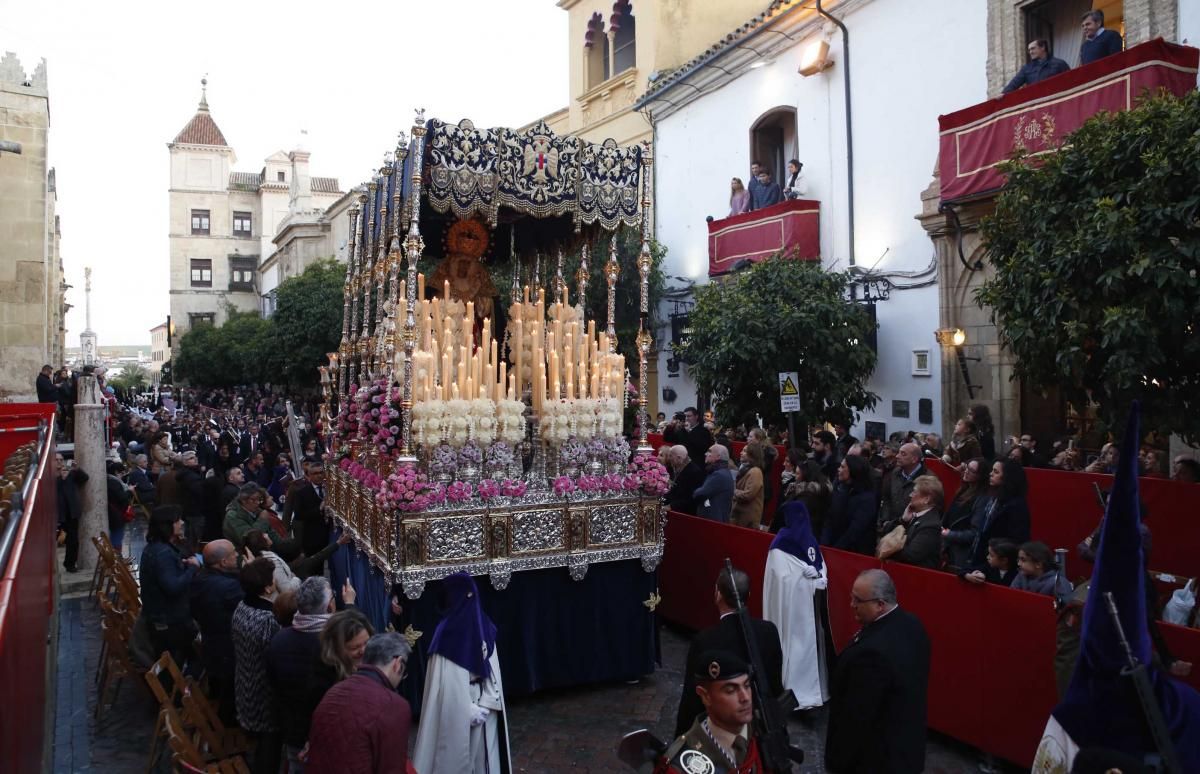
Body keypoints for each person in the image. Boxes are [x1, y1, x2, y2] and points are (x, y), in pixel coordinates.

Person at [825, 569, 930, 774]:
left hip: (876, 760)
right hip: (907, 751)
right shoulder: (913, 625)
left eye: (857, 600)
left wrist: (837, 762)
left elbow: (856, 719)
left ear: (879, 605)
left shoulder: (871, 655)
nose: (851, 604)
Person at [412, 572, 511, 774]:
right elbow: (444, 686)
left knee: (486, 762)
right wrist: (466, 708)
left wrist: (489, 699)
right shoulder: (446, 635)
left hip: (484, 708)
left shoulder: (484, 626)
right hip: (460, 712)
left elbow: (493, 670)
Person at [674, 566, 784, 738]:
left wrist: (680, 740)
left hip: (721, 728)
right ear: (748, 595)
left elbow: (692, 699)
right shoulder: (769, 631)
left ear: (718, 595)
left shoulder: (705, 640)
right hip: (762, 725)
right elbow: (775, 684)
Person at [306, 632, 413, 774]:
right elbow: (392, 767)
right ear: (397, 663)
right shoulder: (394, 705)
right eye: (403, 672)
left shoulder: (334, 691)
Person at [763, 501, 830, 710]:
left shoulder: (810, 541)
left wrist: (819, 576)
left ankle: (811, 692)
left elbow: (820, 566)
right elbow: (781, 579)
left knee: (807, 647)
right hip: (791, 609)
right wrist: (807, 581)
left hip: (807, 609)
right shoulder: (781, 544)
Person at [266, 577, 336, 773]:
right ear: (329, 606)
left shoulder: (279, 639)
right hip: (324, 732)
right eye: (333, 597)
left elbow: (272, 683)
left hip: (293, 728)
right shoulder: (332, 644)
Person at [661, 651, 766, 773]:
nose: (745, 698)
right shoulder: (681, 764)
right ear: (706, 697)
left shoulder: (761, 728)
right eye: (731, 690)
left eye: (747, 686)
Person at [232, 557, 282, 774]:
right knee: (268, 753)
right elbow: (278, 659)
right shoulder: (267, 620)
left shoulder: (242, 606)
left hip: (245, 687)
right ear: (268, 587)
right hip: (263, 698)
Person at [189, 539, 244, 725]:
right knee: (228, 696)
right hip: (227, 651)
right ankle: (227, 728)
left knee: (219, 688)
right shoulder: (228, 587)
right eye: (233, 554)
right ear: (223, 563)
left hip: (210, 644)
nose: (237, 555)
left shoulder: (200, 578)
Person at [139, 505, 200, 667]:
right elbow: (172, 587)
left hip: (165, 618)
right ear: (167, 525)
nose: (181, 523)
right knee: (185, 659)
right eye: (177, 520)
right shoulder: (162, 553)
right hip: (170, 622)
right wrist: (192, 568)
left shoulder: (157, 548)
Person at [965, 459, 1032, 569]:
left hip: (998, 564)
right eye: (992, 470)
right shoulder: (993, 499)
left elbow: (1017, 541)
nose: (991, 474)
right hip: (982, 558)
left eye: (996, 472)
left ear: (1007, 477)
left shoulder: (1016, 506)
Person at [878, 475, 943, 569]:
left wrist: (888, 547)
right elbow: (885, 531)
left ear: (926, 499)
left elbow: (911, 556)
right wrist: (903, 520)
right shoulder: (914, 515)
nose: (910, 495)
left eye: (914, 492)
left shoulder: (931, 525)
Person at [821, 455, 879, 556]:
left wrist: (836, 549)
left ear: (853, 470)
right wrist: (824, 543)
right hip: (831, 546)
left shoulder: (867, 498)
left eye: (843, 467)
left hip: (854, 552)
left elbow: (855, 530)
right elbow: (829, 517)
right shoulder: (839, 488)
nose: (839, 469)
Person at [941, 458, 986, 570]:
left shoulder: (982, 499)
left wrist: (949, 534)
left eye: (971, 470)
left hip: (962, 552)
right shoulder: (963, 490)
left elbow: (975, 533)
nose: (966, 471)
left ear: (980, 476)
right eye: (966, 468)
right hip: (949, 546)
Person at [773, 455, 832, 538]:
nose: (795, 477)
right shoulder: (814, 491)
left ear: (806, 476)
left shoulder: (806, 497)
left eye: (797, 474)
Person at [879, 442, 927, 526]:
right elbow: (887, 499)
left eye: (903, 454)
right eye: (898, 453)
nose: (897, 456)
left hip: (914, 528)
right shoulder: (895, 473)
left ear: (914, 459)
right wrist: (885, 521)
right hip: (892, 526)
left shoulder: (927, 478)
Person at [55, 452, 88, 573]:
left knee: (73, 540)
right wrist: (61, 479)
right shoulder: (52, 476)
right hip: (59, 514)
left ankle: (70, 564)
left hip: (71, 513)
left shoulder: (70, 474)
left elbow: (85, 478)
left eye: (61, 459)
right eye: (56, 459)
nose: (59, 462)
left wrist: (76, 469)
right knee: (66, 539)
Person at [1002, 38, 1069, 94]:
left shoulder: (1059, 64)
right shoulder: (1026, 69)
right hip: (1037, 105)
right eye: (1029, 50)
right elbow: (1014, 84)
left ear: (1042, 47)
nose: (1030, 52)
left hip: (1055, 102)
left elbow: (1070, 81)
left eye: (1033, 48)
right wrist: (1003, 94)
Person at [693, 444, 736, 523]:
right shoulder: (721, 472)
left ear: (718, 456)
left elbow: (701, 493)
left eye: (709, 452)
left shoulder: (719, 474)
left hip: (712, 520)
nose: (706, 454)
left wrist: (695, 491)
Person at [730, 443, 765, 529]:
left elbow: (748, 494)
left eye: (745, 451)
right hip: (739, 515)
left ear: (752, 454)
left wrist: (733, 491)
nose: (741, 453)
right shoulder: (745, 469)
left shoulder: (755, 472)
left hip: (747, 520)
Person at [665, 444, 704, 515]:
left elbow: (692, 497)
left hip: (685, 513)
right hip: (673, 509)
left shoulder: (694, 472)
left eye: (671, 456)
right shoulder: (674, 467)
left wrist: (672, 506)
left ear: (679, 458)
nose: (669, 458)